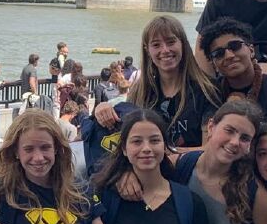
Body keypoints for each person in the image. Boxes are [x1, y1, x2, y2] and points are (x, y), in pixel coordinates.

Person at [95, 16, 222, 149]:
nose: (165, 50)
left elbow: (210, 149)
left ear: (183, 44)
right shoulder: (140, 92)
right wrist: (102, 108)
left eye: (171, 42)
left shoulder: (207, 90)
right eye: (156, 45)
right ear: (147, 51)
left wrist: (167, 154)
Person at [201, 17, 267, 124]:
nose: (229, 56)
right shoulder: (210, 97)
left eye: (235, 46)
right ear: (213, 63)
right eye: (218, 53)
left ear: (251, 50)